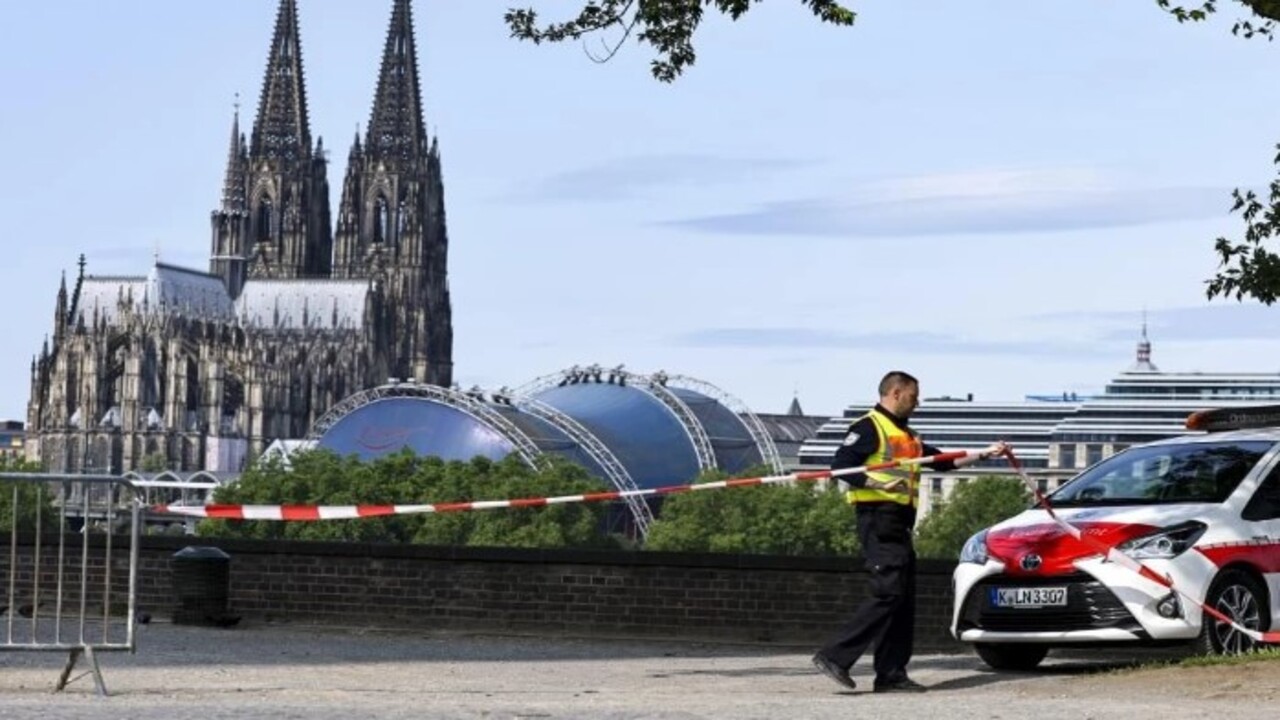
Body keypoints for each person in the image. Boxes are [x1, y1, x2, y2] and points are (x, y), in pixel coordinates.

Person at [811, 370, 1007, 693]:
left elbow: (942, 461)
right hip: (877, 518)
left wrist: (984, 453)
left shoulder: (909, 437)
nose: (917, 403)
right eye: (914, 397)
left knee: (902, 598)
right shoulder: (869, 427)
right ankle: (835, 656)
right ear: (896, 392)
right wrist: (881, 482)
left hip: (900, 523)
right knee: (888, 592)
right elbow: (842, 466)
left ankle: (891, 674)